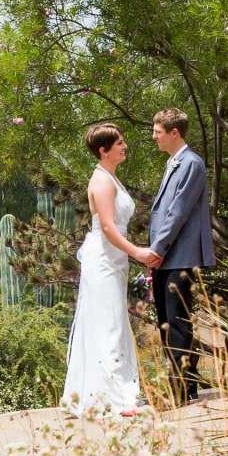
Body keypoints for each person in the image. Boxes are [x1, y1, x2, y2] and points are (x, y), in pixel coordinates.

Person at [61, 122, 153, 414]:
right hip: (104, 259)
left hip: (115, 260)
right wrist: (137, 251)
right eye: (120, 144)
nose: (125, 147)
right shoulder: (101, 181)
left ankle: (119, 393)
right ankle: (114, 397)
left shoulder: (111, 178)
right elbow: (109, 227)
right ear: (104, 151)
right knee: (108, 323)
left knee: (114, 321)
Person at [145, 108, 214, 405]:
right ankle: (184, 382)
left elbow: (177, 212)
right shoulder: (174, 163)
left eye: (158, 131)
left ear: (175, 133)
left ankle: (182, 389)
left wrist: (156, 249)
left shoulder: (191, 164)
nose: (154, 137)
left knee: (178, 321)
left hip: (179, 256)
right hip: (166, 256)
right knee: (166, 320)